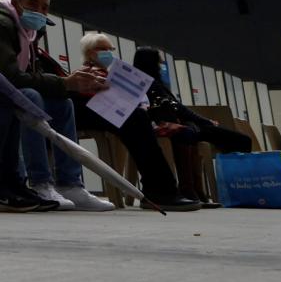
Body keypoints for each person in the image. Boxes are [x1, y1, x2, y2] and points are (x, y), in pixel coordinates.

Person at [0, 0, 104, 211]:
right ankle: (39, 182)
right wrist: (65, 82)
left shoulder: (28, 31)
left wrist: (66, 85)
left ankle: (70, 184)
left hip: (4, 89)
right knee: (31, 97)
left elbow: (27, 75)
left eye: (45, 8)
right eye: (32, 4)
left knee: (62, 103)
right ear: (16, 4)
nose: (40, 12)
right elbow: (11, 77)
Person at [74, 34, 195, 209]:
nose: (108, 53)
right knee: (136, 118)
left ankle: (165, 189)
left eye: (110, 49)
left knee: (141, 117)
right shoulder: (83, 74)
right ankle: (160, 190)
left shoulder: (112, 74)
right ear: (89, 53)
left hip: (114, 113)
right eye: (102, 48)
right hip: (90, 111)